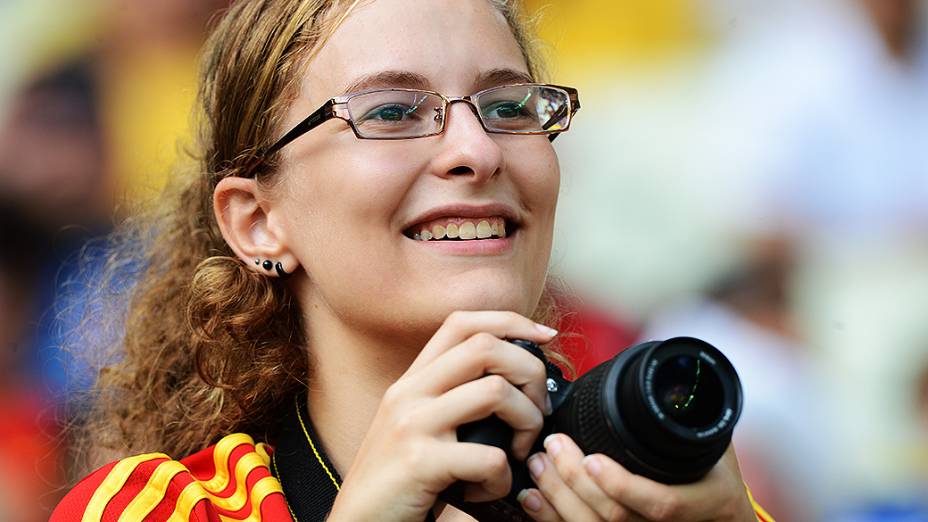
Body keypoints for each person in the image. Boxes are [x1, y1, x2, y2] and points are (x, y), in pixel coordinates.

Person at [51, 0, 774, 520]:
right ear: (258, 221)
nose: (477, 149)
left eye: (508, 107)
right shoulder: (165, 509)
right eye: (392, 111)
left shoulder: (655, 485)